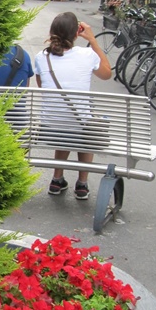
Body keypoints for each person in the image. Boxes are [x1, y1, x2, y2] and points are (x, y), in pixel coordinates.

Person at [34, 12, 111, 200]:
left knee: (65, 120)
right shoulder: (87, 55)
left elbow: (42, 86)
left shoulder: (41, 57)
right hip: (77, 129)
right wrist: (92, 40)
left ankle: (56, 179)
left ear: (52, 32)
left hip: (49, 129)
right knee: (86, 124)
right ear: (77, 33)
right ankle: (82, 184)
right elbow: (106, 74)